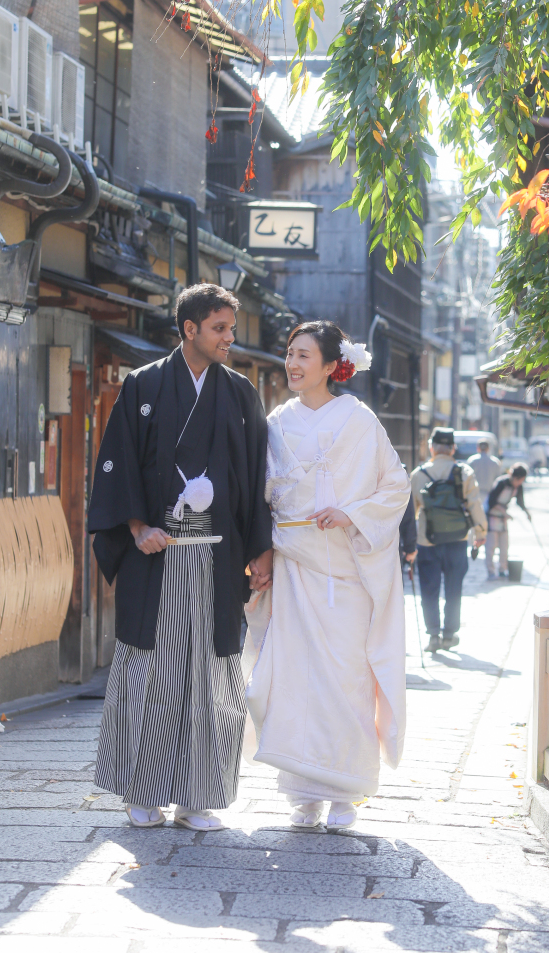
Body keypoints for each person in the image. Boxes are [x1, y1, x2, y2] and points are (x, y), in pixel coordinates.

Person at [88, 283, 273, 831]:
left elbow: (257, 474)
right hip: (156, 555)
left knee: (212, 676)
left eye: (230, 329)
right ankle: (141, 792)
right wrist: (137, 526)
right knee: (150, 672)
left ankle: (199, 796)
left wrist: (260, 549)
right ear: (188, 329)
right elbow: (117, 463)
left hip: (217, 560)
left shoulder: (240, 393)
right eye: (219, 328)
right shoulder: (143, 386)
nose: (228, 339)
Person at [243, 320, 410, 832]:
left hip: (346, 567)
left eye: (304, 356)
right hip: (294, 563)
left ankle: (346, 791)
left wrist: (352, 512)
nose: (292, 364)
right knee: (295, 675)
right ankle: (304, 791)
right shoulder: (277, 421)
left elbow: (396, 485)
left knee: (346, 676)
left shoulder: (359, 420)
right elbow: (261, 494)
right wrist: (261, 554)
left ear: (331, 364)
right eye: (289, 354)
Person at [410, 428, 486, 653]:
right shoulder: (463, 472)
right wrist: (480, 534)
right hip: (457, 538)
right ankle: (449, 634)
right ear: (453, 449)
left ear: (431, 447)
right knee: (454, 588)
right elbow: (474, 504)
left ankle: (433, 634)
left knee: (429, 589)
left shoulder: (418, 474)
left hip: (427, 541)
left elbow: (412, 511)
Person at [485, 464, 529, 579]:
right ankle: (490, 570)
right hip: (492, 516)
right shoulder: (501, 483)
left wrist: (527, 512)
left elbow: (520, 502)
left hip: (503, 517)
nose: (519, 483)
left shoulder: (518, 487)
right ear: (514, 477)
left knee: (504, 545)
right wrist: (504, 513)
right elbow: (491, 502)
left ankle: (502, 569)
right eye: (519, 480)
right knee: (491, 545)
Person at [398, 494, 418, 569]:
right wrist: (410, 549)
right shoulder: (400, 483)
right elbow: (408, 518)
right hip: (391, 546)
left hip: (362, 545)